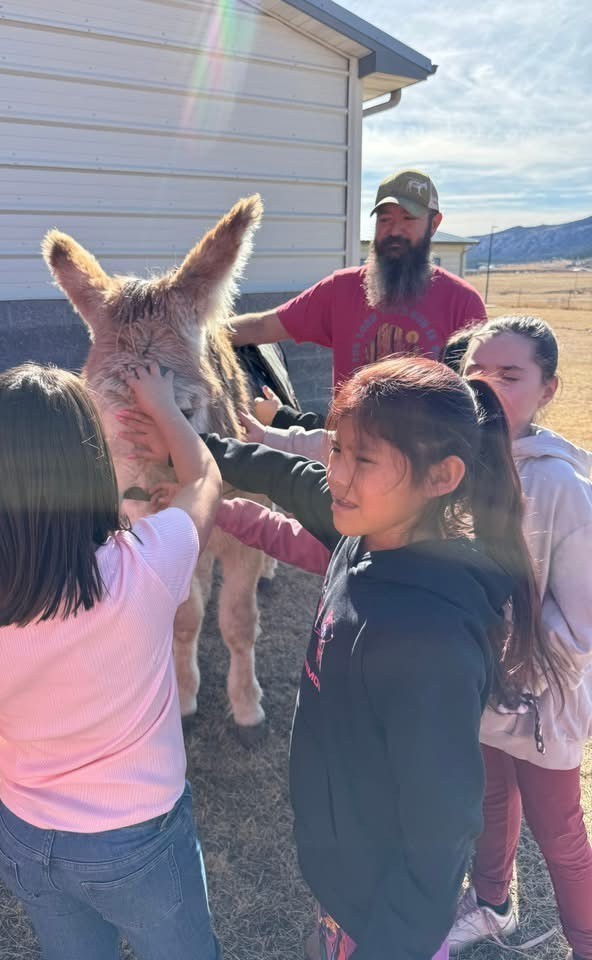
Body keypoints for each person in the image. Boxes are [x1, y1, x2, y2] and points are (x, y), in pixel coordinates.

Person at [123, 355, 566, 960]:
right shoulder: (365, 531)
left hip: (383, 917)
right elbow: (283, 473)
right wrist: (183, 435)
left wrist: (388, 944)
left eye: (364, 459)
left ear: (443, 476)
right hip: (347, 880)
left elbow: (442, 830)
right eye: (336, 449)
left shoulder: (429, 639)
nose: (337, 475)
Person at [0, 362, 223, 960]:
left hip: (28, 838)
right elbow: (205, 476)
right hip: (144, 840)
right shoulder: (147, 564)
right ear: (89, 464)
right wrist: (160, 402)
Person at [447, 316, 592, 960]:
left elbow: (583, 620)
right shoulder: (458, 460)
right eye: (476, 373)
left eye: (510, 375)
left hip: (539, 701)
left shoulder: (560, 485)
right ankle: (493, 906)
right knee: (489, 801)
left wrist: (515, 661)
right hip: (479, 685)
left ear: (548, 388)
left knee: (558, 832)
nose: (488, 387)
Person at [230, 169, 487, 393]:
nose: (395, 230)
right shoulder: (341, 289)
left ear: (434, 224)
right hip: (346, 445)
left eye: (409, 219)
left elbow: (479, 393)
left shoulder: (462, 303)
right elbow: (264, 326)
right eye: (385, 219)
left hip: (427, 448)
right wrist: (196, 333)